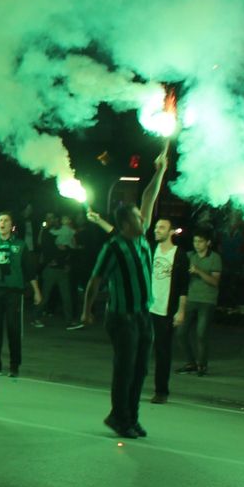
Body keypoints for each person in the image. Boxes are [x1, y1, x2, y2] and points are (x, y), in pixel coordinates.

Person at [81, 138, 172, 439]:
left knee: (140, 370)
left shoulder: (142, 238)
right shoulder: (115, 247)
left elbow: (149, 195)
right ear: (124, 223)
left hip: (142, 314)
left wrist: (159, 172)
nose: (142, 217)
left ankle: (130, 417)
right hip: (121, 317)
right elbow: (95, 280)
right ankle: (120, 417)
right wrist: (87, 311)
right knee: (125, 370)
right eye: (136, 216)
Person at [0, 211, 42, 377]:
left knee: (13, 328)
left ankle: (14, 365)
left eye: (6, 220)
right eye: (0, 220)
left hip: (14, 292)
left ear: (11, 225)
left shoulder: (20, 245)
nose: (3, 223)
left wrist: (36, 291)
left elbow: (29, 271)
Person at [142, 214, 189, 404]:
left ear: (171, 232)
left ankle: (161, 391)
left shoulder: (179, 254)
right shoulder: (151, 250)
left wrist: (181, 310)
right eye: (156, 227)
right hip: (147, 308)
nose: (156, 230)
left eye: (161, 228)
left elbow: (184, 286)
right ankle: (134, 385)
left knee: (162, 352)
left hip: (165, 310)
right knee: (139, 348)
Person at [179, 225, 222, 376]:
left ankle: (202, 365)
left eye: (200, 241)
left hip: (207, 301)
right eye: (195, 241)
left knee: (201, 334)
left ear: (208, 243)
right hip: (190, 298)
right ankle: (190, 362)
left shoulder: (215, 258)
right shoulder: (189, 255)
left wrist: (198, 271)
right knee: (181, 331)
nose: (197, 244)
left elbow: (215, 281)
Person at [35, 213, 74, 328]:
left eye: (52, 218)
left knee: (66, 297)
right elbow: (43, 247)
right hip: (51, 269)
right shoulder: (47, 233)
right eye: (48, 218)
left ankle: (69, 321)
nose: (50, 220)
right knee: (45, 296)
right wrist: (51, 260)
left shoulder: (63, 231)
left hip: (62, 269)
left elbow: (70, 248)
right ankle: (36, 317)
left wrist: (67, 262)